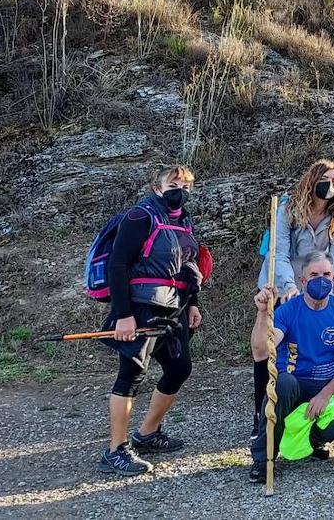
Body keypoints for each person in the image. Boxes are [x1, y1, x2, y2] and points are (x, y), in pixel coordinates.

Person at [98, 165, 204, 476]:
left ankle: (146, 433)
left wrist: (193, 305)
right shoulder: (140, 216)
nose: (179, 190)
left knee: (179, 367)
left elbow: (188, 265)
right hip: (141, 306)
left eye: (185, 185)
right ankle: (115, 451)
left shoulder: (184, 221)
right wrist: (124, 316)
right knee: (131, 374)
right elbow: (118, 265)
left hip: (175, 307)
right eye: (173, 184)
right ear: (157, 187)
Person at [251, 160, 334, 443]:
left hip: (318, 287)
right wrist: (288, 288)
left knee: (318, 350)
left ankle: (317, 414)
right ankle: (262, 416)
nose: (329, 185)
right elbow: (279, 253)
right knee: (270, 354)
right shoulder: (288, 209)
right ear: (312, 180)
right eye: (324, 178)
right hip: (285, 285)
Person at [249, 252, 334, 482]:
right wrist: (262, 314)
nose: (321, 279)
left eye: (327, 274)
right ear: (302, 280)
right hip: (293, 384)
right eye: (314, 274)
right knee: (282, 385)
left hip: (327, 387)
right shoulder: (288, 310)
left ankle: (310, 439)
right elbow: (260, 353)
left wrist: (324, 395)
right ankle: (263, 458)